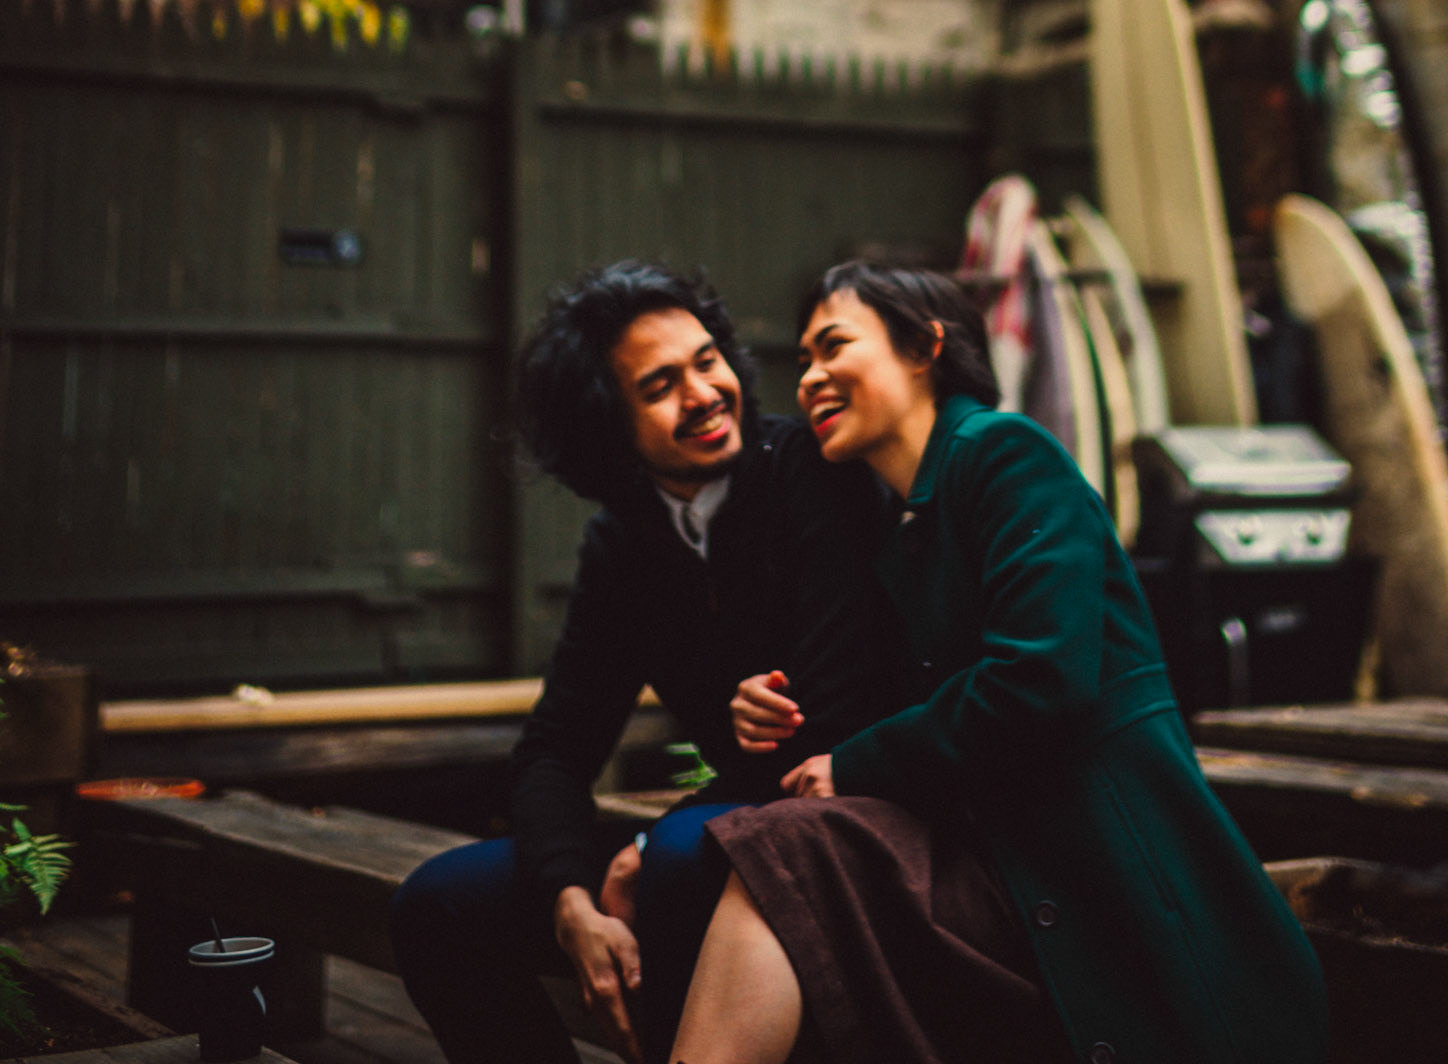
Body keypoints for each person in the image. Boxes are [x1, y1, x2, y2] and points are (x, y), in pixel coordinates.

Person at [670, 263, 1330, 1064]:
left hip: (1114, 888)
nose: (809, 378)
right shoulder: (902, 528)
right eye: (803, 360)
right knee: (778, 853)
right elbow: (881, 703)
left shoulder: (1006, 456)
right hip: (1010, 873)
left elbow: (1041, 678)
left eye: (833, 346)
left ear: (924, 347)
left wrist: (857, 761)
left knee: (789, 856)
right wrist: (766, 709)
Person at [389, 261, 901, 1064]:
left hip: (840, 823)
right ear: (606, 429)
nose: (703, 393)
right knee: (437, 901)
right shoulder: (624, 539)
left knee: (682, 856)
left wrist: (650, 839)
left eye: (707, 360)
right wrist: (569, 900)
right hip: (721, 827)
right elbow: (557, 749)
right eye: (659, 385)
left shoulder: (810, 474)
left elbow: (835, 719)